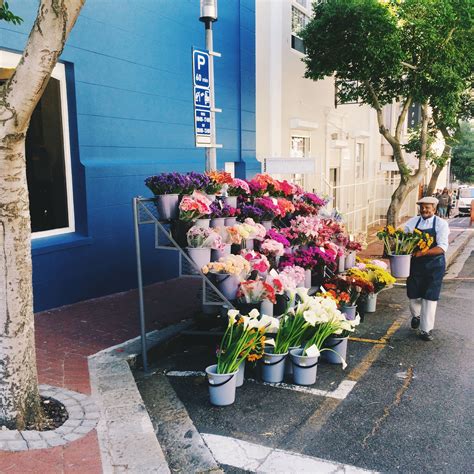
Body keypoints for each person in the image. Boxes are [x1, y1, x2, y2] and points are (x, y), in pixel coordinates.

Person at [404, 197, 449, 341]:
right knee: (413, 294)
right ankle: (416, 315)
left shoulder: (441, 224)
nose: (424, 210)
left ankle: (426, 330)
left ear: (434, 209)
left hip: (434, 265)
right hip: (415, 265)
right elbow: (403, 238)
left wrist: (423, 252)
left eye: (427, 208)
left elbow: (442, 247)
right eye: (422, 207)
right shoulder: (413, 222)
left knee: (430, 296)